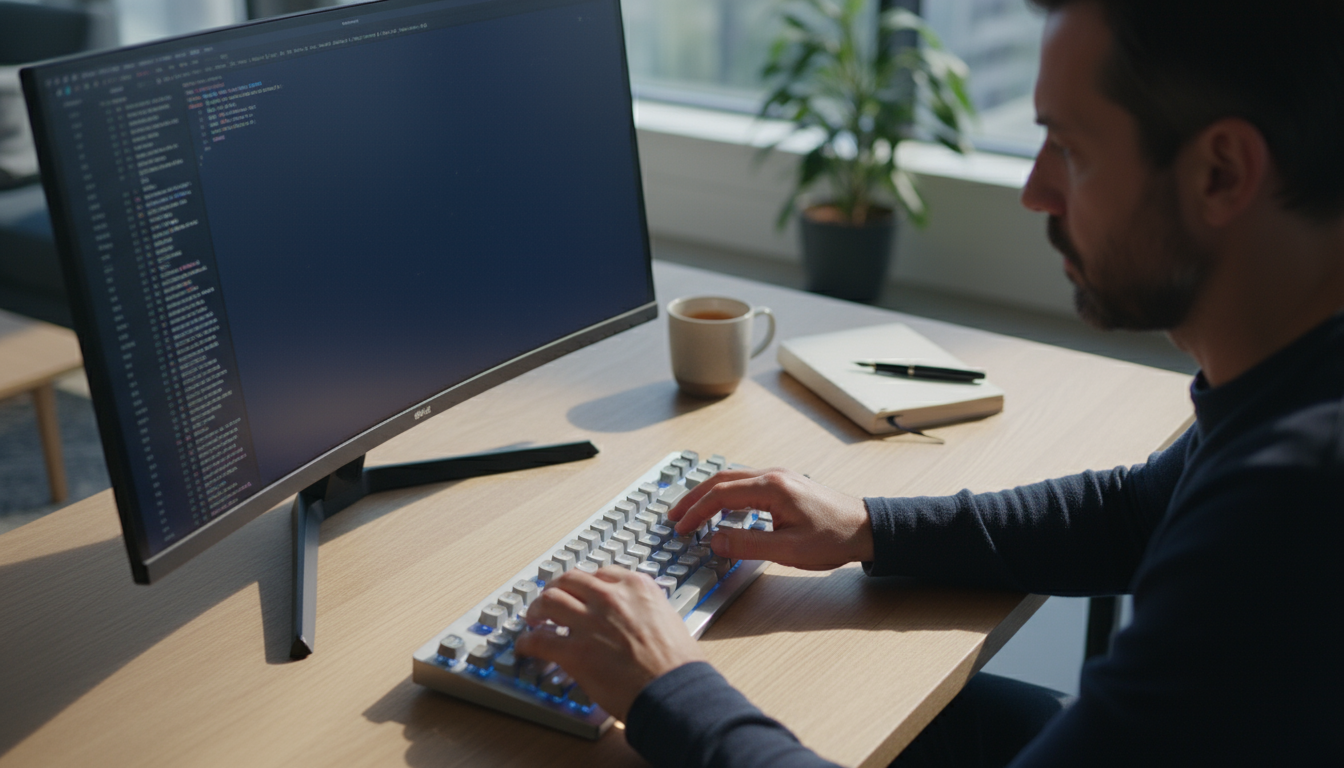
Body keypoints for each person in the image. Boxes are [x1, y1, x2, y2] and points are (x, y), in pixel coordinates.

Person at [514, 0, 1344, 764]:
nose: (1034, 189)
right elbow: (1137, 514)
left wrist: (665, 687)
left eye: (1070, 148)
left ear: (1222, 173)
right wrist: (866, 526)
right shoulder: (1293, 378)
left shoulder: (1291, 510)